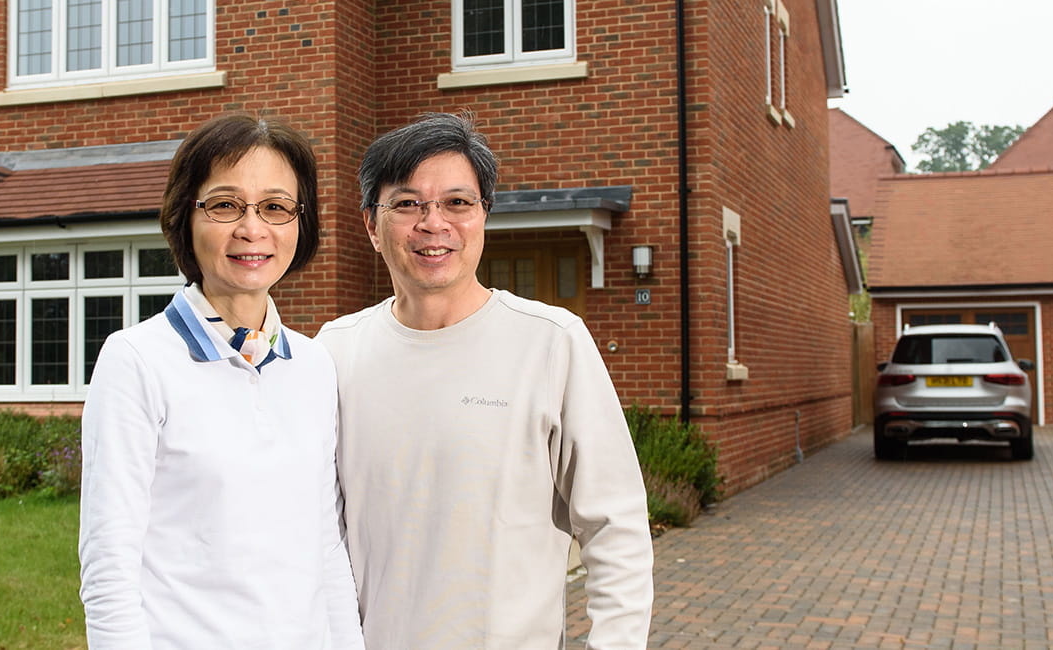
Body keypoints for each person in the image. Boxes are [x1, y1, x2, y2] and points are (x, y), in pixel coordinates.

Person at [315, 112, 654, 649]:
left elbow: (617, 528)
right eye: (407, 204)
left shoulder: (550, 342)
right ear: (370, 225)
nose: (433, 223)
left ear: (483, 216)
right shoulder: (334, 351)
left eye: (457, 202)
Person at [78, 113, 361, 649]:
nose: (252, 229)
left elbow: (325, 545)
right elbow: (110, 563)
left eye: (276, 207)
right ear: (186, 216)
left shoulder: (314, 365)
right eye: (226, 204)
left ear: (301, 224)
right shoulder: (137, 360)